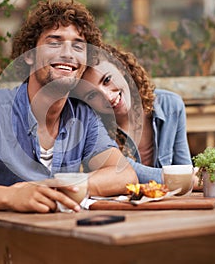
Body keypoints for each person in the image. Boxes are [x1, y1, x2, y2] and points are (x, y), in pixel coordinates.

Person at [0, 0, 138, 263]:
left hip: (46, 250)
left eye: (78, 45)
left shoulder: (82, 116)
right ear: (28, 57)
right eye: (54, 41)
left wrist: (63, 186)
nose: (68, 54)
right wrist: (13, 196)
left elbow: (123, 174)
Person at [73, 43, 193, 184]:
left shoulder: (171, 105)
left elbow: (185, 168)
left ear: (121, 68)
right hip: (117, 204)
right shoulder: (93, 126)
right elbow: (124, 171)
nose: (107, 96)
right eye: (92, 95)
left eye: (107, 80)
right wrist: (182, 178)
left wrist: (190, 178)